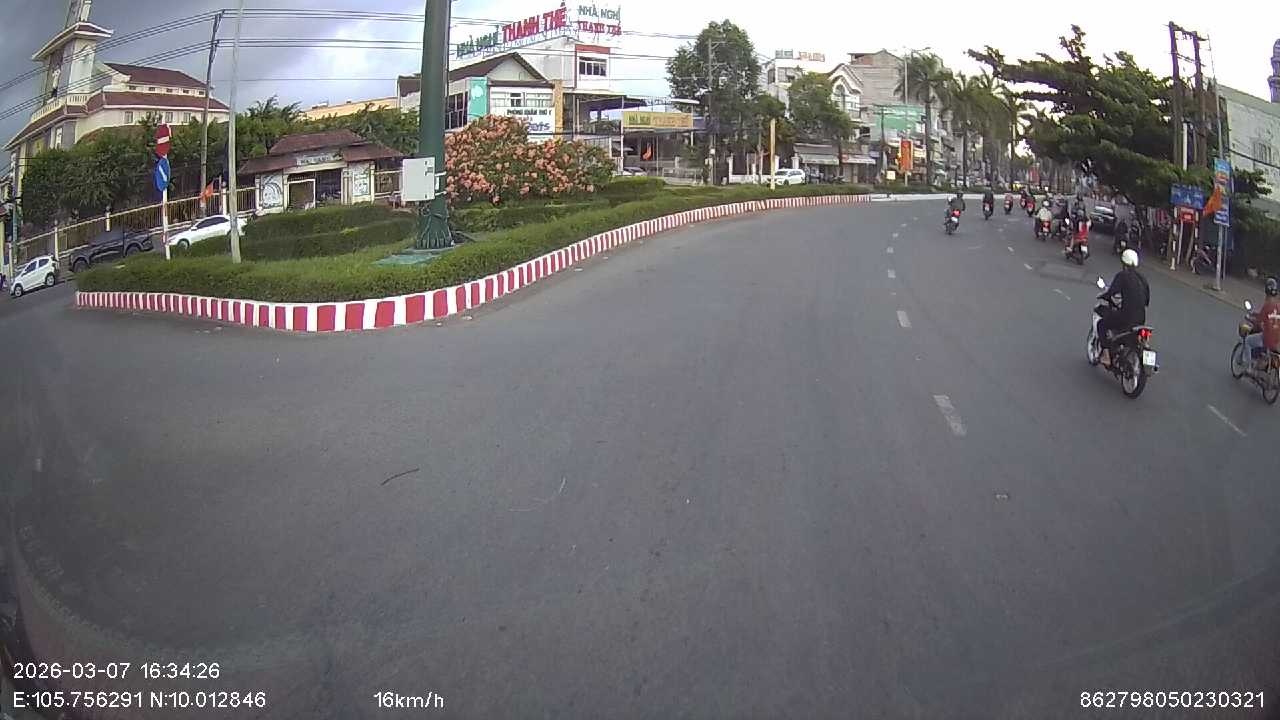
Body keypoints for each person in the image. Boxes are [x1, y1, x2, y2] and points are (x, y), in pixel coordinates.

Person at [1097, 249, 1150, 367]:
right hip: (1141, 319)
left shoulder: (1122, 276)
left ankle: (1106, 356)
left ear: (1123, 263)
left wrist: (1103, 296)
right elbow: (1146, 301)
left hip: (1126, 317)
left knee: (1101, 324)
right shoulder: (1143, 279)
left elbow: (1111, 292)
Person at [1245, 277, 1280, 370]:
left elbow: (1258, 321)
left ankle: (1248, 368)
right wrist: (1254, 314)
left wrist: (1249, 318)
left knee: (1247, 341)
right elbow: (1266, 316)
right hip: (1277, 339)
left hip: (1267, 338)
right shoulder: (1278, 306)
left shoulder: (1267, 305)